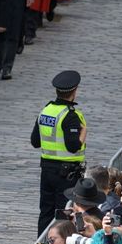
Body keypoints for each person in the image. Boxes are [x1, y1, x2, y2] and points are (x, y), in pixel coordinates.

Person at [33, 70, 86, 231]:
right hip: (67, 174)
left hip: (47, 171)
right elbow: (73, 146)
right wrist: (83, 133)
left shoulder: (46, 110)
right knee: (64, 214)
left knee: (46, 212)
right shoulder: (70, 115)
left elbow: (35, 142)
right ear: (74, 91)